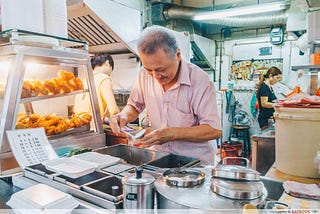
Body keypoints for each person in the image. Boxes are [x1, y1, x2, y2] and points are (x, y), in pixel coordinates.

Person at [109, 25, 222, 164]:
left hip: (195, 165)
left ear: (178, 55)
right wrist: (123, 116)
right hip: (160, 158)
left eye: (161, 69)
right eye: (149, 69)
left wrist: (170, 134)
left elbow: (213, 130)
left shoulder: (200, 81)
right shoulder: (144, 75)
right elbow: (134, 106)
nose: (155, 76)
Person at [75, 53, 120, 121]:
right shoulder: (104, 78)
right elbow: (114, 110)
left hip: (79, 123)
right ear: (107, 63)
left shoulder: (85, 79)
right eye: (111, 70)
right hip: (94, 125)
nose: (109, 74)